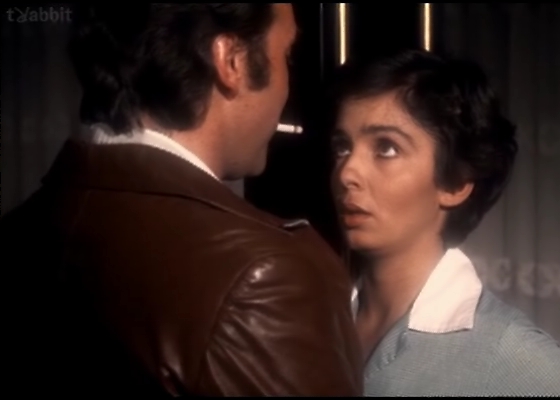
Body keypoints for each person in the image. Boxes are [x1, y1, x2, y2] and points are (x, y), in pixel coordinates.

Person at [1, 4, 362, 396]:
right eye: (286, 55)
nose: (287, 87)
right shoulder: (264, 277)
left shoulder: (23, 228)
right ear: (232, 61)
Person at [328, 49, 560, 396]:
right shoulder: (319, 316)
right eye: (342, 147)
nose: (347, 172)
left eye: (386, 148)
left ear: (456, 182)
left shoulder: (501, 349)